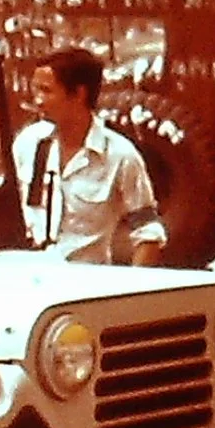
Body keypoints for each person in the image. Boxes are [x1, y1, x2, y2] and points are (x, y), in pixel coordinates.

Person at [12, 46, 166, 265]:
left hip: (87, 284)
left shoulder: (120, 155)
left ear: (78, 94)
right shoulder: (28, 143)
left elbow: (148, 232)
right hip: (32, 279)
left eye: (46, 91)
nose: (37, 100)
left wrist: (130, 290)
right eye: (36, 90)